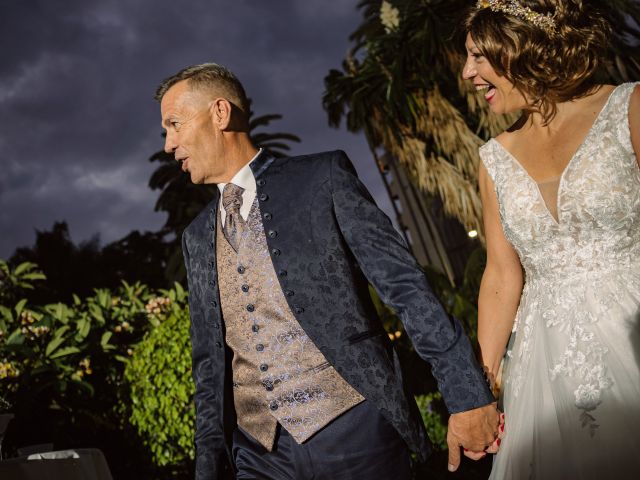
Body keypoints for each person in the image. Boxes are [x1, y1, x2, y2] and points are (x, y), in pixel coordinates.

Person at [155, 63, 501, 480]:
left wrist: (466, 394)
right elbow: (208, 367)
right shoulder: (196, 238)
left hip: (355, 433)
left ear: (220, 113)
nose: (169, 144)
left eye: (175, 125)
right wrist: (207, 467)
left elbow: (407, 290)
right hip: (258, 455)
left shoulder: (322, 179)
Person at [463, 0, 640, 478]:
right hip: (545, 364)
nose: (467, 73)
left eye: (479, 57)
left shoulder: (630, 106)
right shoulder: (493, 159)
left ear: (520, 47)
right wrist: (479, 390)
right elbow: (501, 272)